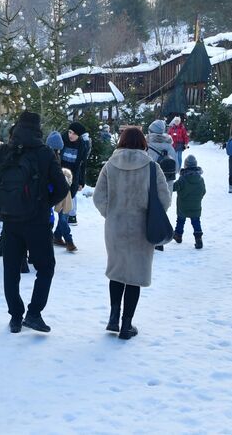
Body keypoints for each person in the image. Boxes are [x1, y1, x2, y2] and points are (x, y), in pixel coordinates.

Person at [0, 111, 69, 334]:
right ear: (38, 129)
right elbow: (63, 188)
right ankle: (34, 313)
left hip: (10, 219)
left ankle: (16, 317)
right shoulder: (45, 153)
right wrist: (44, 203)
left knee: (11, 270)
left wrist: (4, 190)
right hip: (37, 221)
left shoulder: (5, 151)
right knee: (45, 268)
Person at [93, 127, 171, 340]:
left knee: (117, 271)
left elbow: (99, 197)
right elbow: (165, 199)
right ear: (143, 143)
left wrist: (111, 213)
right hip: (141, 228)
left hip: (115, 228)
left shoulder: (110, 166)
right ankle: (126, 325)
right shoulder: (152, 168)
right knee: (135, 275)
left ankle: (113, 316)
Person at [47, 131, 76, 252]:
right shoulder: (48, 156)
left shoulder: (56, 156)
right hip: (51, 190)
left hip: (58, 188)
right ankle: (68, 240)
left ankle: (59, 237)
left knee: (63, 213)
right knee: (59, 216)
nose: (59, 151)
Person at [173, 155, 206, 249]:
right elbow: (203, 191)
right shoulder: (200, 179)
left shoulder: (183, 179)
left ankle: (178, 235)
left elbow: (174, 187)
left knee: (180, 220)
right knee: (196, 222)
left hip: (183, 205)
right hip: (196, 205)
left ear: (186, 165)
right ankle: (198, 239)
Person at [60, 121, 88, 226]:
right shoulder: (62, 140)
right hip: (59, 173)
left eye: (74, 134)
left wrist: (81, 181)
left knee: (71, 195)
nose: (71, 135)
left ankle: (70, 217)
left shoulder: (82, 146)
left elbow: (83, 165)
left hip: (73, 176)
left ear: (79, 135)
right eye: (70, 132)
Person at [146, 119, 177, 193]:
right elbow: (176, 168)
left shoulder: (147, 147)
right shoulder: (170, 147)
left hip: (151, 186)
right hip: (167, 186)